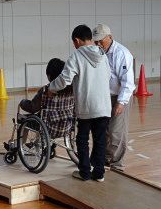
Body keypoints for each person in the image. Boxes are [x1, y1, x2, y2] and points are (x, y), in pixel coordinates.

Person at [48, 24, 111, 182]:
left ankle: (84, 172)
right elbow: (108, 76)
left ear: (77, 40)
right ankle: (99, 173)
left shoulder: (76, 56)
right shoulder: (103, 55)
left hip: (87, 106)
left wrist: (51, 88)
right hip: (104, 105)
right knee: (100, 140)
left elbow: (65, 79)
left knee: (82, 139)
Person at [92, 24, 135, 171]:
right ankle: (106, 159)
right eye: (95, 41)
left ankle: (117, 165)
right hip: (104, 97)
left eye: (100, 41)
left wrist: (121, 103)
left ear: (110, 37)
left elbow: (128, 82)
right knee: (104, 130)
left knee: (117, 132)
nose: (98, 44)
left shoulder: (122, 54)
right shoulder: (98, 52)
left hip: (119, 96)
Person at [19, 58, 75, 159]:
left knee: (24, 119)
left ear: (49, 75)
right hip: (67, 125)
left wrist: (22, 103)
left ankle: (20, 146)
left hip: (49, 127)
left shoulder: (46, 90)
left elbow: (33, 107)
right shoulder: (72, 89)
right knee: (41, 117)